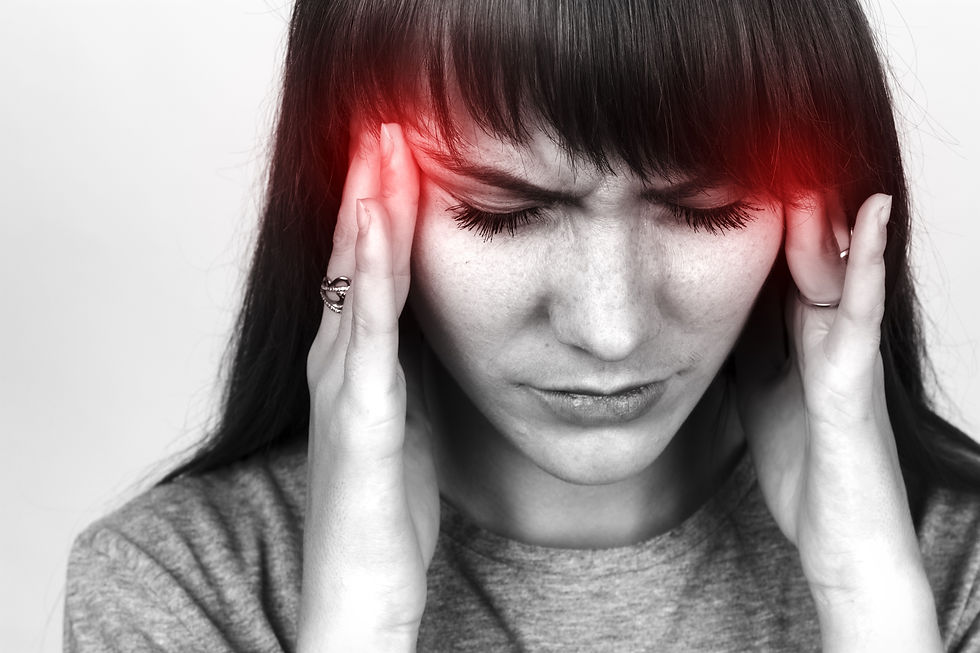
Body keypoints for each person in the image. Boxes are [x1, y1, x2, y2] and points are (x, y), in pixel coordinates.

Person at [64, 0, 980, 651]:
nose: (611, 329)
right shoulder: (177, 588)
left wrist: (871, 595)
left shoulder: (957, 571)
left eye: (705, 209)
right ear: (351, 201)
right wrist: (359, 620)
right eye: (501, 213)